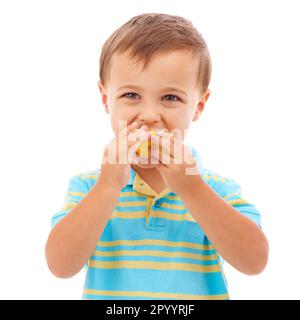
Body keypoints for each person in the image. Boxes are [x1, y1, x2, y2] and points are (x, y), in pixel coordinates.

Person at [45, 13, 269, 300]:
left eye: (170, 98)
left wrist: (192, 189)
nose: (149, 116)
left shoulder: (216, 188)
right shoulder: (89, 186)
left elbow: (255, 262)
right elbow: (60, 266)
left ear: (199, 105)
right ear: (105, 99)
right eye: (131, 95)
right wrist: (107, 186)